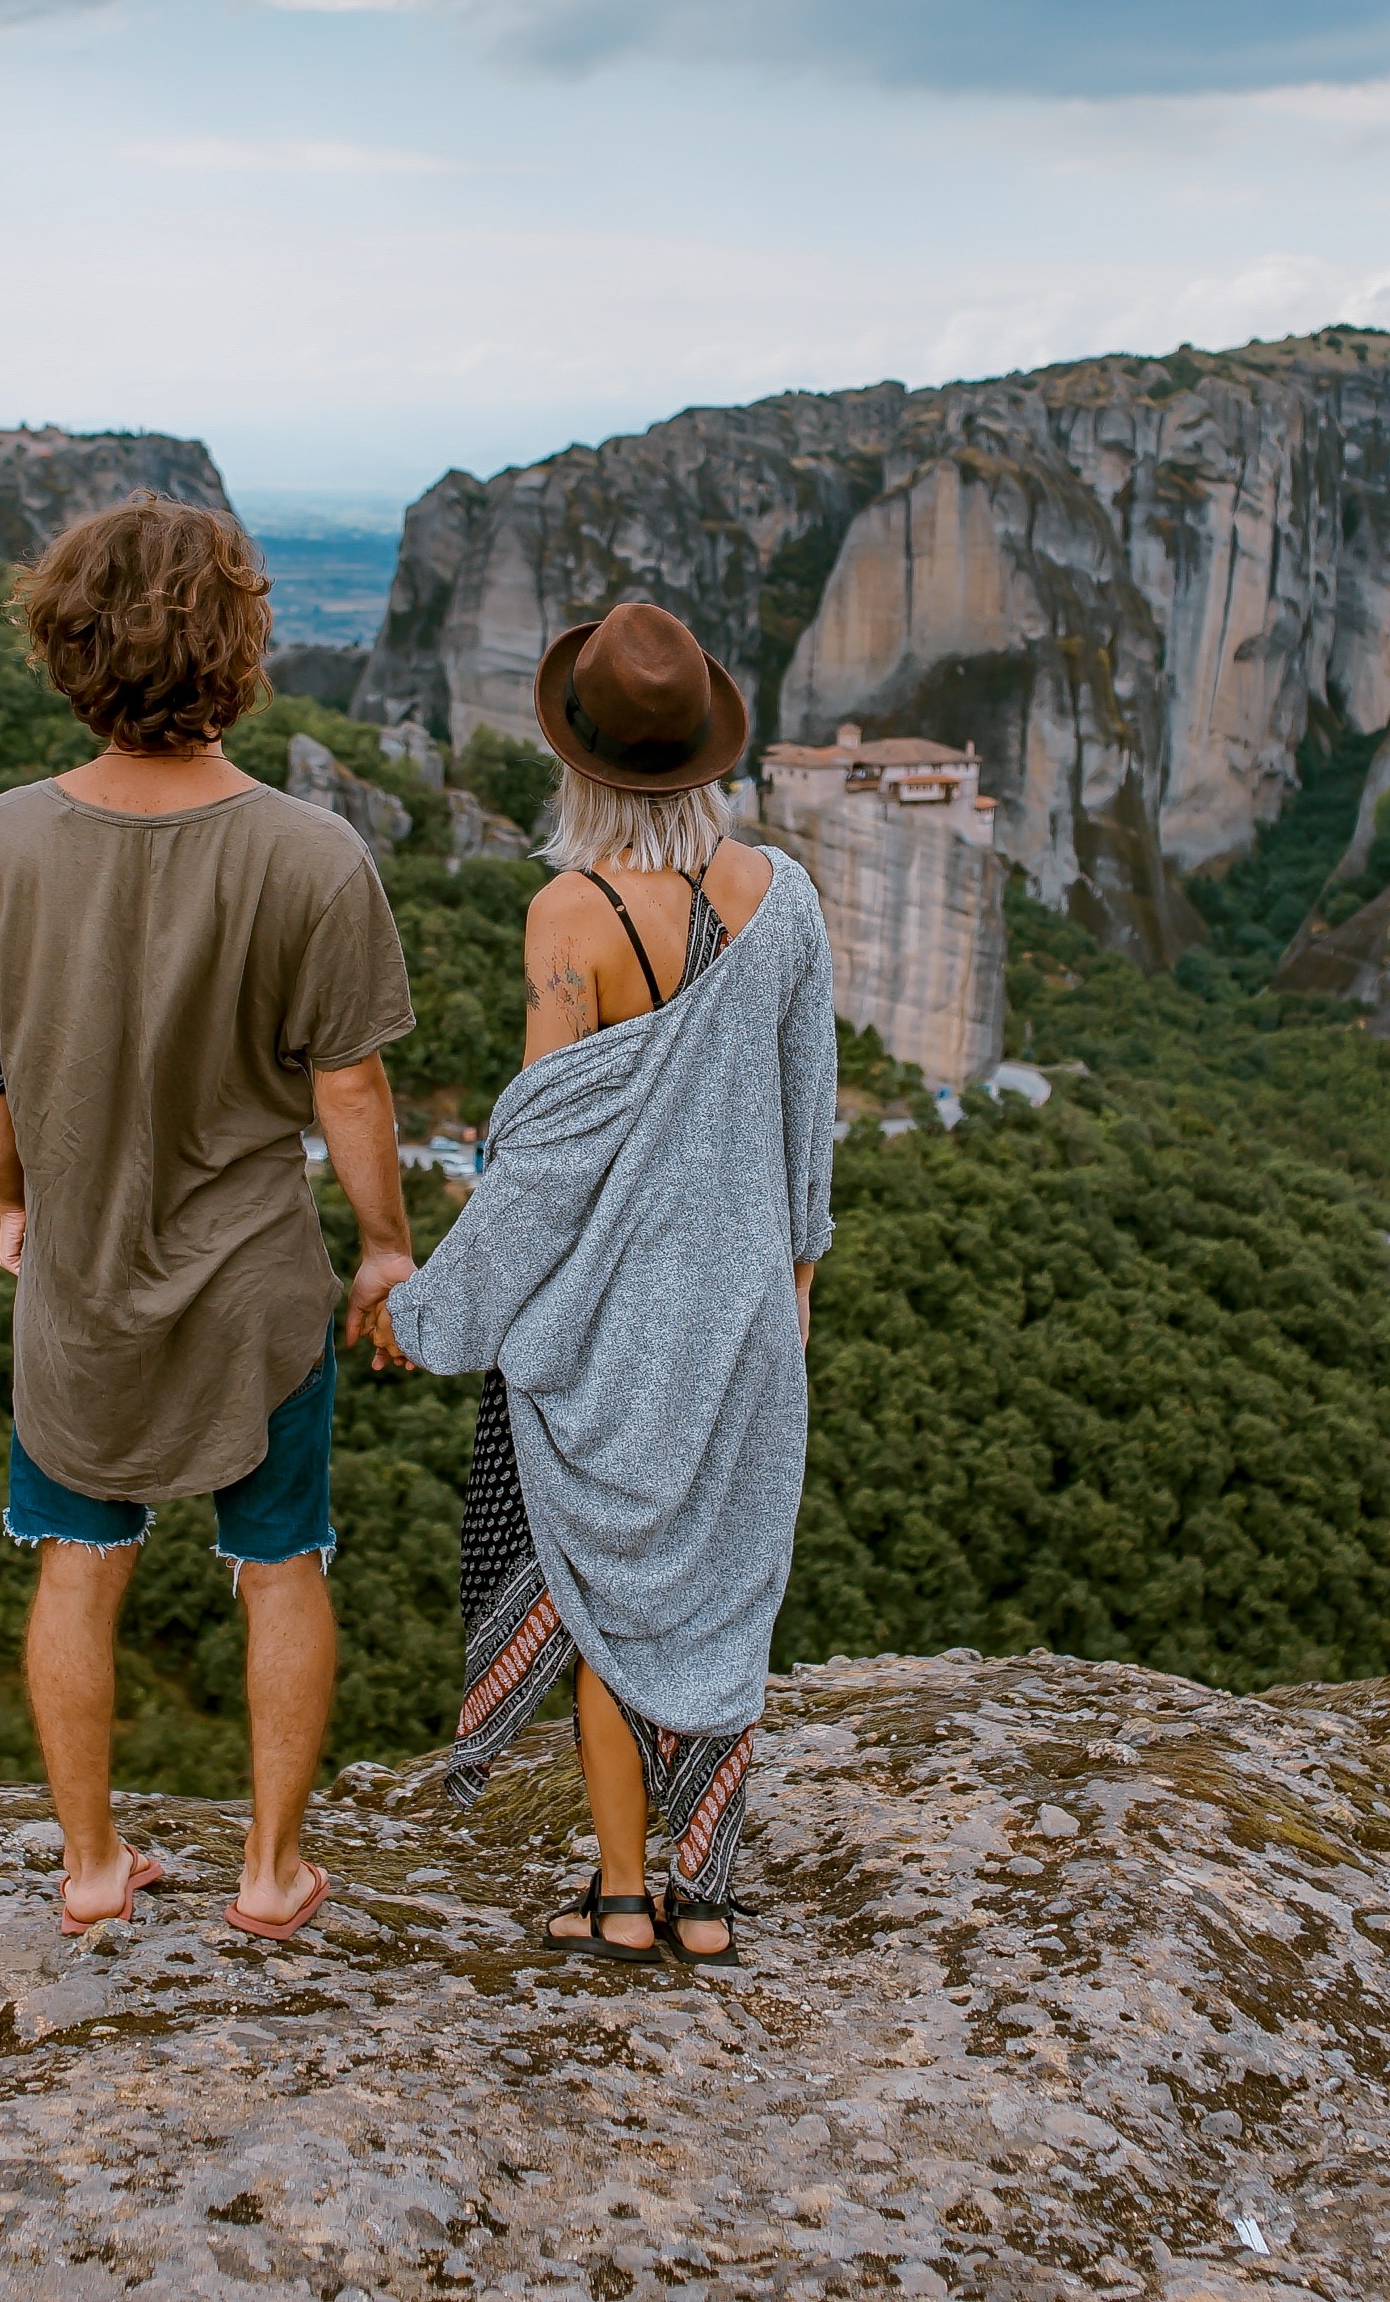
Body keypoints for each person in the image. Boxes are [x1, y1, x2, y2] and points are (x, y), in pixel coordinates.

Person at [0, 494, 421, 1946]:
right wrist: (390, 1245)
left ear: (67, 643)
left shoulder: (4, 842)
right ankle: (271, 1876)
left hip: (79, 1281)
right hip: (255, 1288)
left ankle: (91, 1867)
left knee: (74, 1565)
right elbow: (348, 1086)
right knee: (281, 1565)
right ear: (239, 646)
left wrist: (15, 1205)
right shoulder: (312, 854)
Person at [382, 601, 835, 1966]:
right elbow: (808, 1131)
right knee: (719, 1592)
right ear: (707, 753)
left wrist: (428, 1312)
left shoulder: (568, 916)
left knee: (597, 1600)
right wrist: (793, 1301)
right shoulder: (788, 900)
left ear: (581, 762)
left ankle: (626, 1896)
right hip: (749, 1314)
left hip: (607, 1325)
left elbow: (538, 1167)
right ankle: (708, 1900)